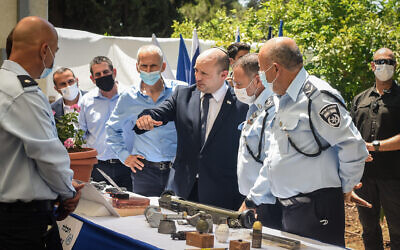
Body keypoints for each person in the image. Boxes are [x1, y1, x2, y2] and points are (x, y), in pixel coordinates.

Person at [247, 37, 370, 246]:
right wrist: (255, 198)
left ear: (275, 69)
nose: (260, 75)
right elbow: (275, 157)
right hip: (289, 209)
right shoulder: (280, 99)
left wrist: (344, 189)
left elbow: (353, 147)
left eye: (261, 69)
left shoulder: (317, 97)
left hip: (317, 210)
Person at [0, 16, 83, 249]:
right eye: (54, 52)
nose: (53, 59)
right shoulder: (23, 92)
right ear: (44, 50)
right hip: (20, 222)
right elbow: (47, 155)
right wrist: (68, 192)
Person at [135, 48, 248, 210]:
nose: (197, 77)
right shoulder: (183, 95)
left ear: (223, 75)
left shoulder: (242, 105)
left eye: (204, 74)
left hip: (221, 195)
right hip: (181, 190)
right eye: (196, 71)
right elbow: (158, 112)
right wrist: (146, 117)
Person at [106, 45, 186, 197]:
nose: (148, 71)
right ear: (137, 67)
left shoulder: (181, 91)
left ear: (163, 66)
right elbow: (111, 129)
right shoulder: (128, 97)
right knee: (144, 216)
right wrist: (125, 157)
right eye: (144, 66)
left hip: (177, 170)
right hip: (144, 173)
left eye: (153, 66)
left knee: (179, 216)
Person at [351, 48, 400, 250]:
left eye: (389, 62)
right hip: (365, 178)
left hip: (394, 178)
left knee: (397, 230)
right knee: (369, 229)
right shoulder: (360, 99)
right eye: (380, 62)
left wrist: (374, 146)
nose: (384, 66)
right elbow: (350, 135)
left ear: (395, 67)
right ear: (372, 66)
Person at [232, 53, 282, 230]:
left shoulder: (273, 110)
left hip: (266, 200)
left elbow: (271, 161)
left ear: (257, 80)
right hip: (253, 198)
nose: (235, 89)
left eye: (239, 84)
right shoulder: (254, 106)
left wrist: (253, 200)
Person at [79, 56, 132, 191]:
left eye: (106, 72)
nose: (103, 76)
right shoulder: (86, 101)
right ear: (92, 79)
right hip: (98, 168)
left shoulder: (131, 96)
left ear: (114, 72)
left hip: (128, 166)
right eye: (98, 74)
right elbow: (81, 134)